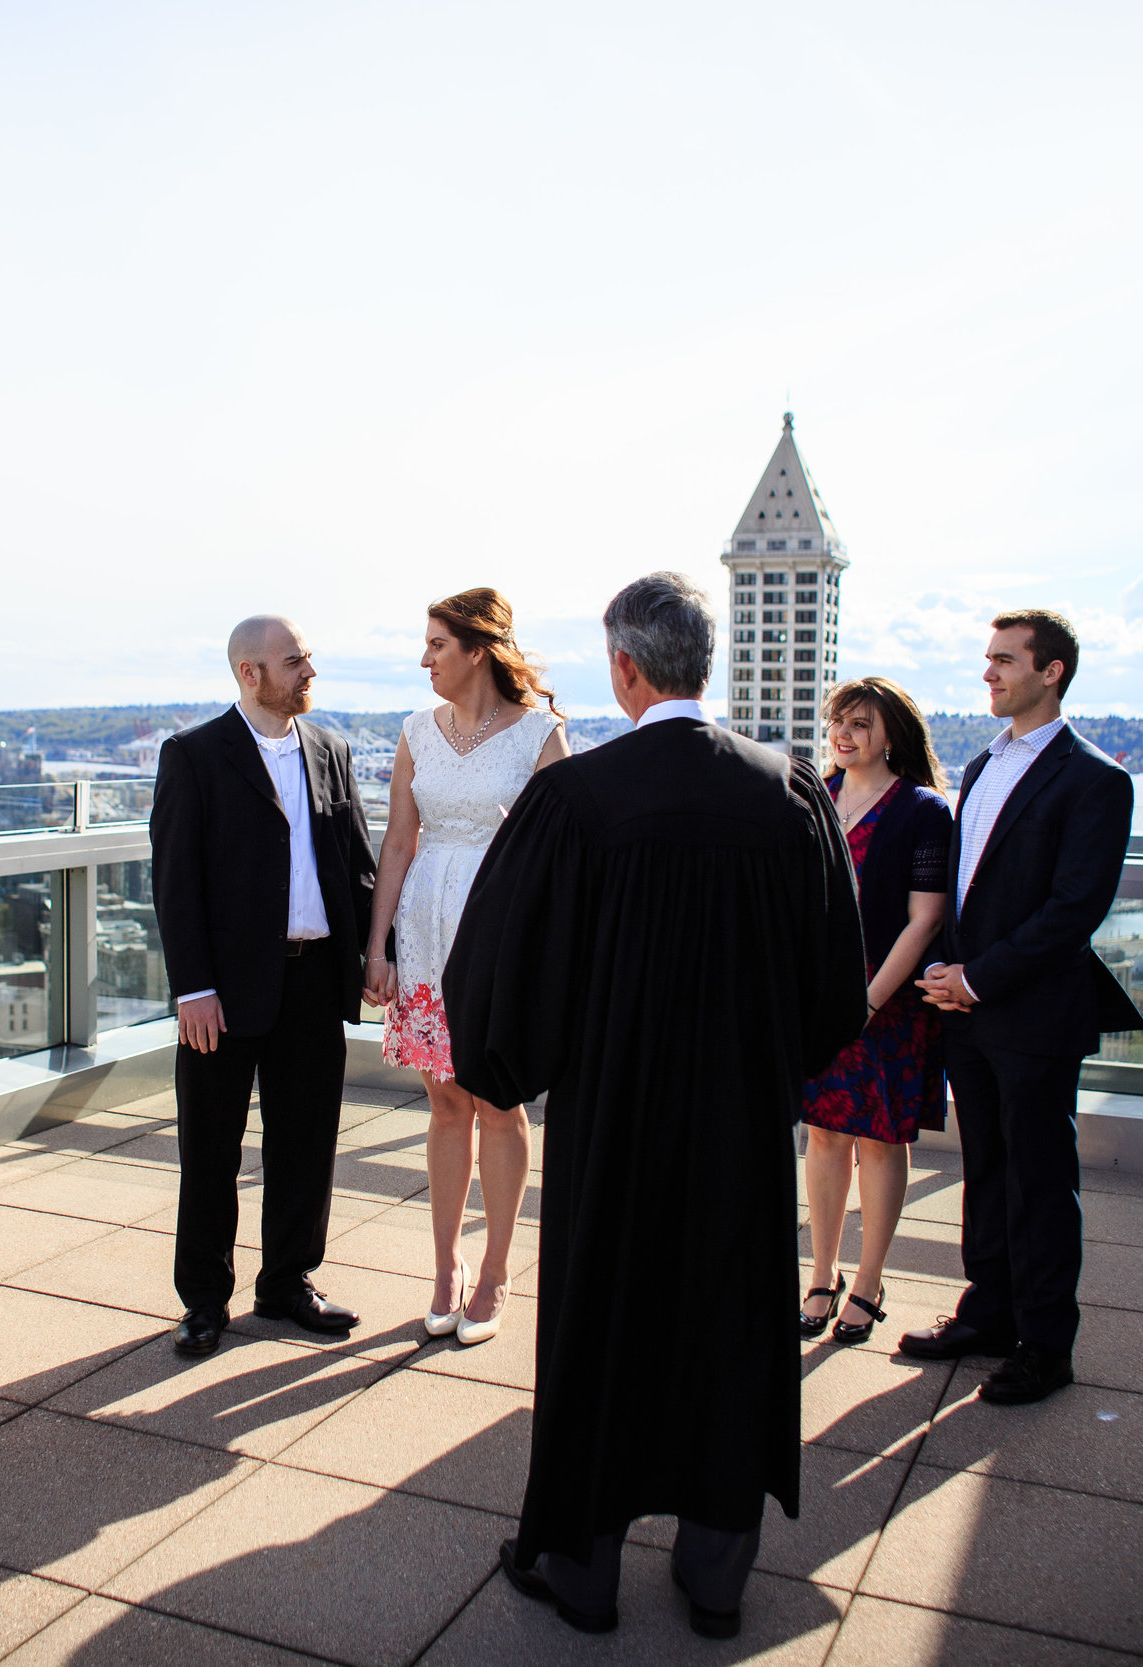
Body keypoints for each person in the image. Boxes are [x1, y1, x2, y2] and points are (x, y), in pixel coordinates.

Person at [446, 572, 865, 1639]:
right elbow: (832, 982)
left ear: (625, 668)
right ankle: (716, 1572)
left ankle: (582, 1567)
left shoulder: (579, 797)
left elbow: (498, 965)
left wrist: (509, 1067)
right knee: (729, 1323)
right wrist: (771, 1063)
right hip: (738, 1119)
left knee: (604, 1319)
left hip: (613, 1115)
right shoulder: (788, 791)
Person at [905, 609, 1143, 1407]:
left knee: (1041, 1181)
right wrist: (948, 970)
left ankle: (1047, 1346)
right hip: (967, 1010)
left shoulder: (1097, 781)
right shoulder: (978, 766)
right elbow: (971, 891)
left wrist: (978, 977)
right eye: (988, 658)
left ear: (1052, 672)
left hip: (1034, 1012)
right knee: (989, 1170)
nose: (989, 673)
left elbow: (1074, 909)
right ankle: (989, 1313)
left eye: (1005, 660)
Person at [150, 614, 379, 1358]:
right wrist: (193, 989)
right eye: (294, 660)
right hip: (225, 988)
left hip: (314, 979)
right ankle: (204, 1301)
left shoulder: (331, 748)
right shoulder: (193, 755)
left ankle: (286, 1282)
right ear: (251, 673)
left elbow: (357, 864)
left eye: (308, 656)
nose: (309, 670)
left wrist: (378, 953)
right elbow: (176, 883)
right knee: (211, 1149)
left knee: (306, 1143)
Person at [361, 589, 569, 1347]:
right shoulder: (417, 730)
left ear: (477, 650)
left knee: (498, 1106)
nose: (424, 659)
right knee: (446, 1105)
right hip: (424, 932)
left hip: (501, 936)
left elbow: (559, 856)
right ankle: (445, 1269)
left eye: (437, 645)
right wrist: (377, 945)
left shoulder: (541, 734)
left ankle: (496, 1270)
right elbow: (396, 845)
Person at [799, 677, 954, 1347]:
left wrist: (868, 999)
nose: (846, 733)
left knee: (882, 1141)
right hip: (819, 997)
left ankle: (869, 1280)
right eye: (840, 720)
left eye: (862, 723)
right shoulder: (813, 796)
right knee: (825, 1135)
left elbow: (925, 919)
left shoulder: (922, 810)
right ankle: (823, 1273)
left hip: (886, 1005)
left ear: (892, 733)